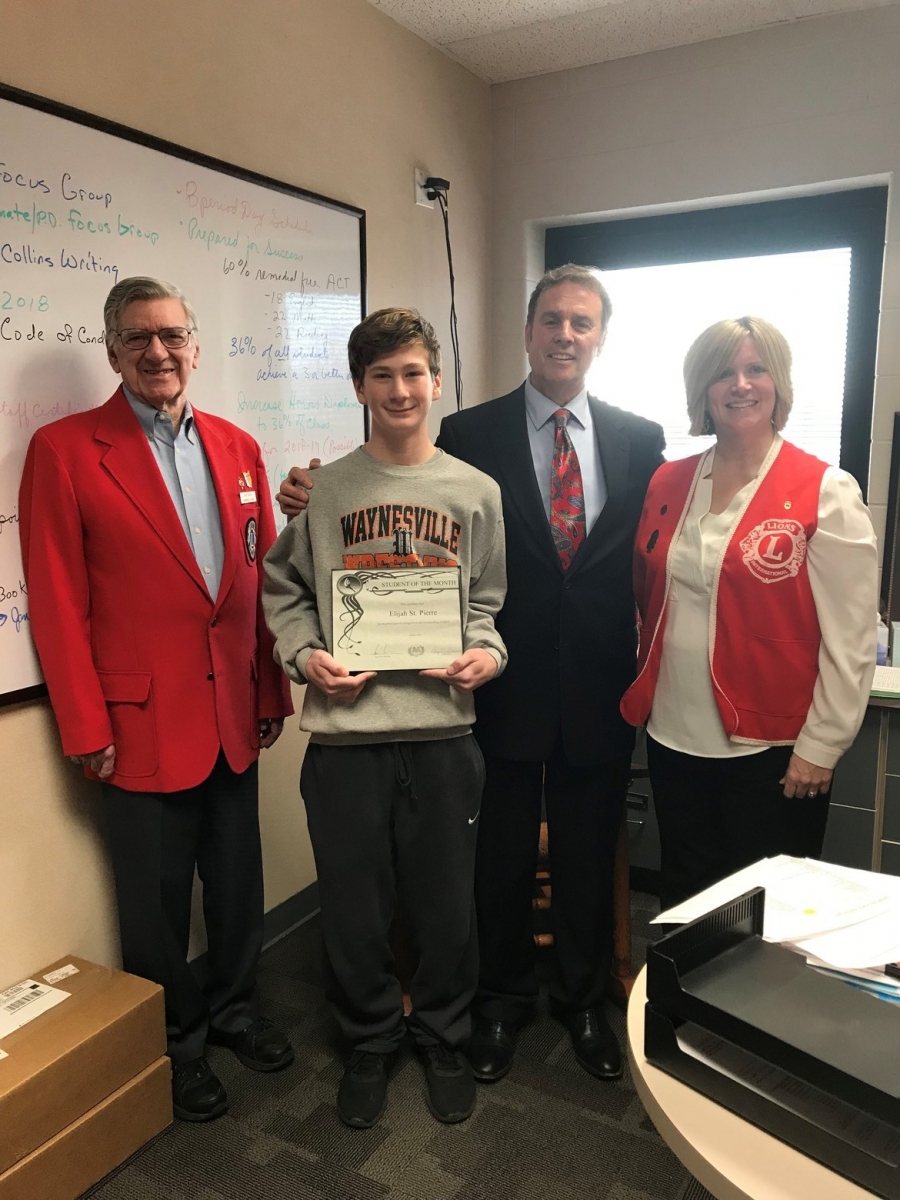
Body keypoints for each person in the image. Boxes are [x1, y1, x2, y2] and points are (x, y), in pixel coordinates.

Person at [277, 265, 666, 1084]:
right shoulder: (470, 434)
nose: (565, 335)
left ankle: (586, 998)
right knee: (495, 860)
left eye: (582, 323)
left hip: (597, 684)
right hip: (492, 692)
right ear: (526, 333)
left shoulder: (641, 439)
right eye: (551, 320)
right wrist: (306, 489)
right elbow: (398, 488)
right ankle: (498, 1001)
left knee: (593, 854)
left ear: (601, 338)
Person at [18, 276, 294, 1123]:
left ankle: (238, 1009)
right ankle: (176, 1044)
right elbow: (58, 601)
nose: (158, 352)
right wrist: (84, 725)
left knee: (238, 883)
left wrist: (271, 686)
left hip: (233, 716)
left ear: (195, 347)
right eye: (138, 338)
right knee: (155, 903)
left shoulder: (239, 447)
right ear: (113, 351)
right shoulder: (66, 451)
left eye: (172, 336)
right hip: (136, 724)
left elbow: (261, 581)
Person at [262, 307, 507, 1129]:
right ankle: (369, 1037)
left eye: (412, 373)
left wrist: (487, 653)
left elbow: (486, 602)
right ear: (360, 387)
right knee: (354, 903)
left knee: (446, 901)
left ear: (436, 381)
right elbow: (285, 592)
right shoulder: (323, 490)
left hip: (442, 733)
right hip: (348, 738)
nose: (399, 390)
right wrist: (305, 656)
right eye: (381, 376)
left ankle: (442, 1031)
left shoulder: (476, 491)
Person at [620, 316, 878, 911]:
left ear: (778, 383)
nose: (739, 384)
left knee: (767, 907)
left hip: (773, 746)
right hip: (674, 735)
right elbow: (649, 595)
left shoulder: (824, 489)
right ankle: (683, 1007)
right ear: (702, 391)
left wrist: (823, 743)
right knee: (686, 894)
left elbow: (852, 635)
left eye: (755, 369)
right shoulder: (670, 479)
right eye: (722, 373)